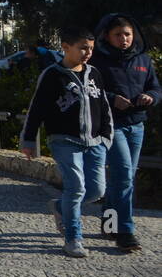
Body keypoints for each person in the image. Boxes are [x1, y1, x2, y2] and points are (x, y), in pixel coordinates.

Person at [20, 25, 113, 259]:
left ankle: (60, 207)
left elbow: (103, 106)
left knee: (96, 190)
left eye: (91, 48)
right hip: (64, 140)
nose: (88, 52)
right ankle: (73, 238)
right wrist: (28, 139)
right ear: (65, 48)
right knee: (76, 187)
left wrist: (106, 136)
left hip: (95, 141)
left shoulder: (95, 73)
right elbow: (37, 108)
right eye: (83, 48)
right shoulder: (52, 75)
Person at [90, 13, 160, 252]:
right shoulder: (97, 61)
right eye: (118, 34)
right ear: (107, 36)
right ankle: (125, 232)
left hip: (137, 124)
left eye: (127, 34)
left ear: (134, 35)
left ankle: (109, 222)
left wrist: (151, 97)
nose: (124, 39)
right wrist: (111, 99)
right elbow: (89, 91)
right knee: (123, 177)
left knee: (123, 178)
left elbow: (155, 87)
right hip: (112, 126)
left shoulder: (143, 60)